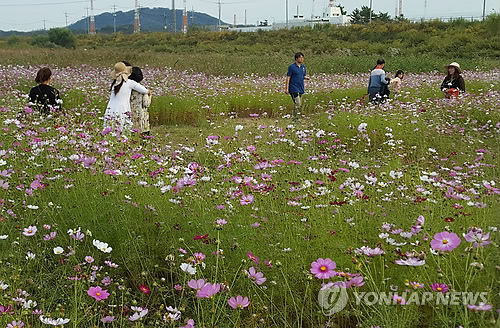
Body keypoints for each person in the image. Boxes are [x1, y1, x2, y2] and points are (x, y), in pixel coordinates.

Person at [104, 62, 151, 133]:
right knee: (122, 129)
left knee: (110, 128)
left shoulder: (115, 84)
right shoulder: (129, 83)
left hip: (110, 108)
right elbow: (144, 90)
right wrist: (149, 92)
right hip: (122, 108)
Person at [285, 52, 310, 121]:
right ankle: (295, 119)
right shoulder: (292, 67)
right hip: (293, 88)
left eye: (303, 57)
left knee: (298, 104)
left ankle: (296, 117)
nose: (302, 59)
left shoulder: (303, 67)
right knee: (298, 103)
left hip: (301, 87)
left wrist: (306, 78)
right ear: (296, 58)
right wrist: (286, 88)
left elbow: (302, 75)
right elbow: (288, 77)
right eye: (300, 57)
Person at [128, 66, 152, 136]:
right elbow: (146, 104)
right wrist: (150, 96)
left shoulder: (128, 89)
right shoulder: (143, 90)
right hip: (141, 116)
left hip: (130, 114)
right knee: (143, 135)